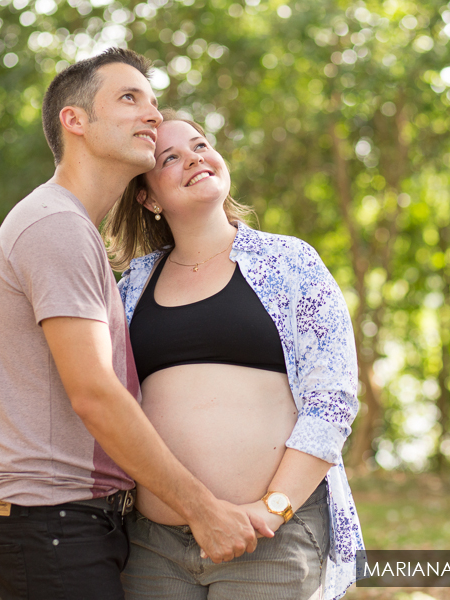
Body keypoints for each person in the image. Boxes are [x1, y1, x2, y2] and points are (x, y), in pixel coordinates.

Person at [0, 50, 270, 600]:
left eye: (154, 103)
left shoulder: (73, 229)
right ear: (75, 120)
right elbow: (95, 394)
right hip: (51, 522)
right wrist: (202, 510)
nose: (153, 116)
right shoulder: (57, 226)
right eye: (130, 98)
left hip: (66, 523)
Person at [107, 110, 365, 600]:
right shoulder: (131, 288)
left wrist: (272, 509)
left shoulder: (291, 263)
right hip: (153, 546)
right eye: (170, 158)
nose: (194, 159)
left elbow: (331, 399)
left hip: (269, 539)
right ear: (147, 197)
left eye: (201, 145)